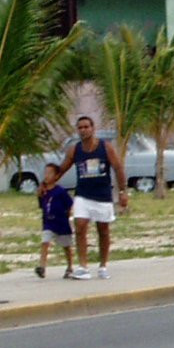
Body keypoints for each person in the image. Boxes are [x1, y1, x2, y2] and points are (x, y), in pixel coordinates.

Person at [48, 115, 126, 279]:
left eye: (86, 127)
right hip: (83, 194)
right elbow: (63, 168)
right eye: (80, 128)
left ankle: (103, 266)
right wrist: (48, 183)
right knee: (80, 226)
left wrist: (122, 192)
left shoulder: (105, 147)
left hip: (103, 194)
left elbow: (118, 168)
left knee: (103, 230)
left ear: (93, 128)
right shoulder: (75, 150)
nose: (83, 130)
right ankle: (83, 267)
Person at [34, 163, 77, 279]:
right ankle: (42, 267)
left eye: (50, 173)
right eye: (45, 173)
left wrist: (67, 215)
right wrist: (39, 194)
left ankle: (69, 266)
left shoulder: (61, 191)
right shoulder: (43, 191)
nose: (47, 176)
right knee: (45, 242)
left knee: (66, 245)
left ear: (57, 176)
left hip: (61, 223)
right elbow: (42, 206)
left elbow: (69, 205)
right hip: (48, 222)